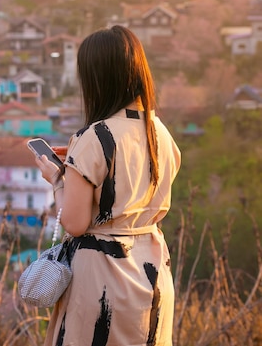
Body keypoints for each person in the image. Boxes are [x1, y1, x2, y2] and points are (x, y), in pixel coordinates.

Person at [34, 25, 181, 345]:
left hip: (102, 281)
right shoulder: (160, 133)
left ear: (97, 78)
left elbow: (74, 222)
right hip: (152, 273)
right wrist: (76, 163)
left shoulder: (93, 138)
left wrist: (59, 178)